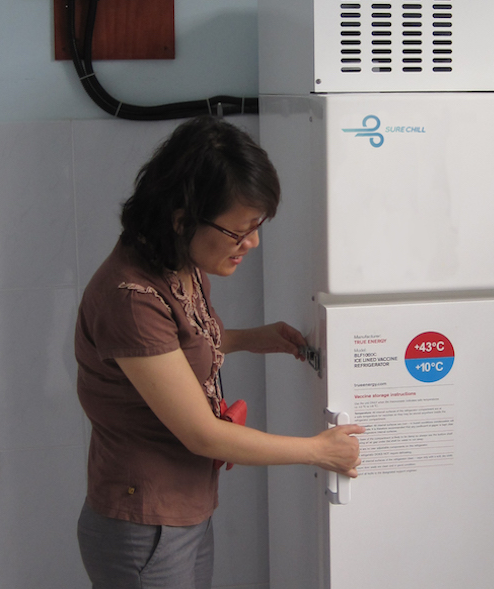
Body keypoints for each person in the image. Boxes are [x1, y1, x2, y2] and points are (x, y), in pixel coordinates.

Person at [74, 116, 364, 589]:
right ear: (182, 218)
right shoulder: (130, 295)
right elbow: (202, 435)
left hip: (182, 509)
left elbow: (170, 352)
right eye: (239, 231)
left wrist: (250, 338)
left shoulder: (176, 261)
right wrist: (317, 450)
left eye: (257, 227)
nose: (250, 243)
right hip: (144, 524)